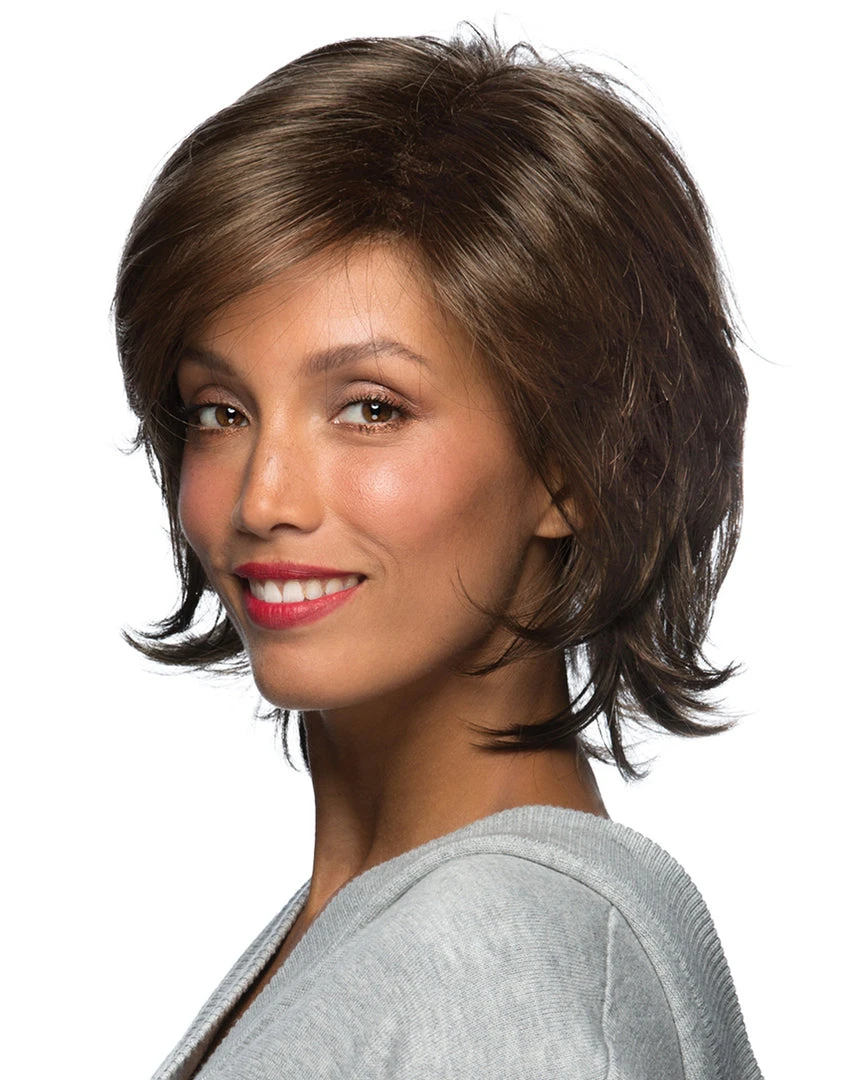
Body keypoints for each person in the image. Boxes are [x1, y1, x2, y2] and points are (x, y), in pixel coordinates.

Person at [115, 29, 762, 1079]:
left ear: (572, 466)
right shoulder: (391, 924)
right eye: (221, 410)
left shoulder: (495, 963)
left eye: (371, 408)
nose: (263, 498)